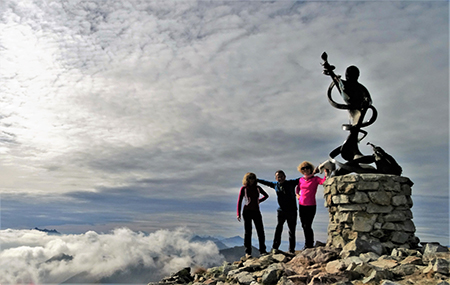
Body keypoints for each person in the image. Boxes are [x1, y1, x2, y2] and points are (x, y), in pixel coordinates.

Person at [257, 170, 299, 254]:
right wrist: (256, 179)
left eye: (281, 176)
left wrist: (314, 172)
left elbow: (303, 178)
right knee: (279, 229)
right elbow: (265, 182)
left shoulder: (291, 183)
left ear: (285, 176)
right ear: (276, 178)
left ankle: (291, 250)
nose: (280, 178)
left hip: (292, 211)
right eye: (278, 177)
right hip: (281, 211)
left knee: (292, 230)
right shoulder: (275, 185)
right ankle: (275, 248)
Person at [296, 161, 328, 249]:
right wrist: (297, 195)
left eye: (307, 167)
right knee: (303, 225)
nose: (305, 169)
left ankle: (309, 244)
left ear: (310, 169)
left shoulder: (315, 179)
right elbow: (297, 188)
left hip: (311, 205)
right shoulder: (301, 180)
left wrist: (326, 174)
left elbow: (323, 182)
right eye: (303, 168)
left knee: (308, 225)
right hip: (301, 204)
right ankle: (307, 244)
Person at [237, 172, 269, 257]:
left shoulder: (257, 188)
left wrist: (259, 201)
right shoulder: (244, 189)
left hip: (256, 211)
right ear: (247, 179)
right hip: (247, 212)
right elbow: (239, 201)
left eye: (253, 178)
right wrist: (238, 213)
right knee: (248, 232)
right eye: (250, 178)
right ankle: (248, 252)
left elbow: (266, 195)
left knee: (260, 231)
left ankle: (263, 250)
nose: (252, 180)